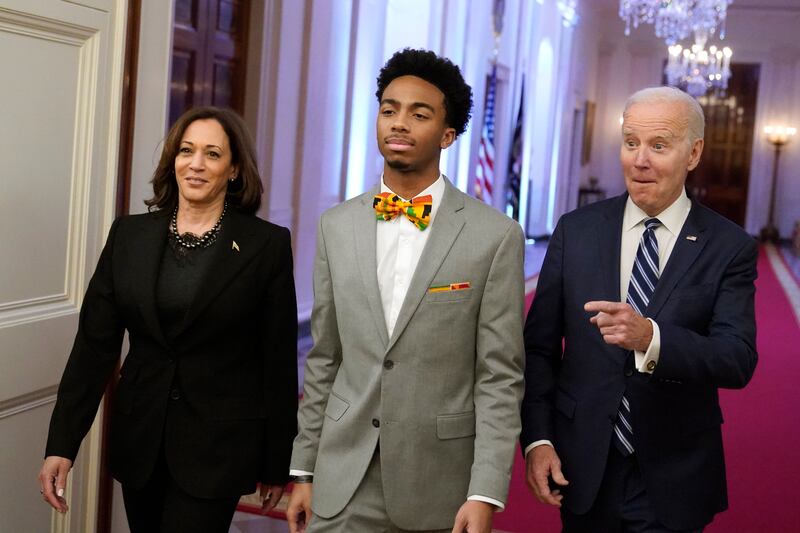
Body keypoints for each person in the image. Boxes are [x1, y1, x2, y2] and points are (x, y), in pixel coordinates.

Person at [286, 48, 525, 533]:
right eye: (389, 110)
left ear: (448, 135)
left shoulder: (494, 236)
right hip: (341, 479)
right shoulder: (336, 225)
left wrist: (485, 491)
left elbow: (498, 376)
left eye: (419, 114)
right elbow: (325, 357)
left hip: (436, 484)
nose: (399, 123)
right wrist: (304, 469)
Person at [38, 106, 299, 532]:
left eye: (212, 154)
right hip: (141, 440)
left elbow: (277, 362)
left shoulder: (264, 246)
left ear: (234, 169)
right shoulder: (128, 236)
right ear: (172, 160)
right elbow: (92, 348)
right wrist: (62, 445)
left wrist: (276, 463)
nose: (195, 164)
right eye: (186, 150)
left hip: (219, 445)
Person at [521, 85, 758, 532]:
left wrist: (652, 339)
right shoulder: (577, 231)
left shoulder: (729, 247)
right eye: (631, 143)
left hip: (673, 473)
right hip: (582, 464)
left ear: (694, 153)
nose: (640, 159)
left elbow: (737, 359)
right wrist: (538, 439)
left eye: (659, 145)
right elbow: (538, 350)